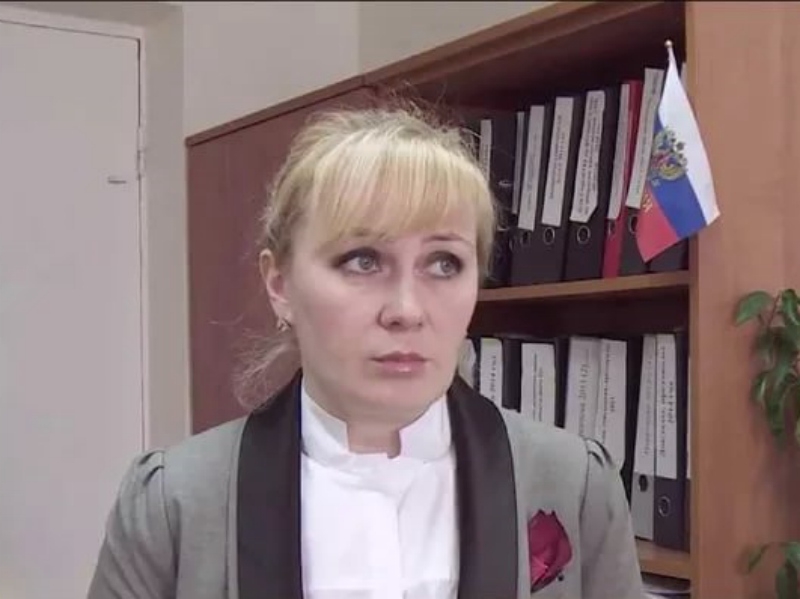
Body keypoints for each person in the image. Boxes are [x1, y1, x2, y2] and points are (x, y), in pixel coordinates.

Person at [87, 103, 645, 599]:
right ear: (280, 285)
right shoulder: (173, 503)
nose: (407, 309)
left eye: (444, 263)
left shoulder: (574, 483)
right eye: (363, 260)